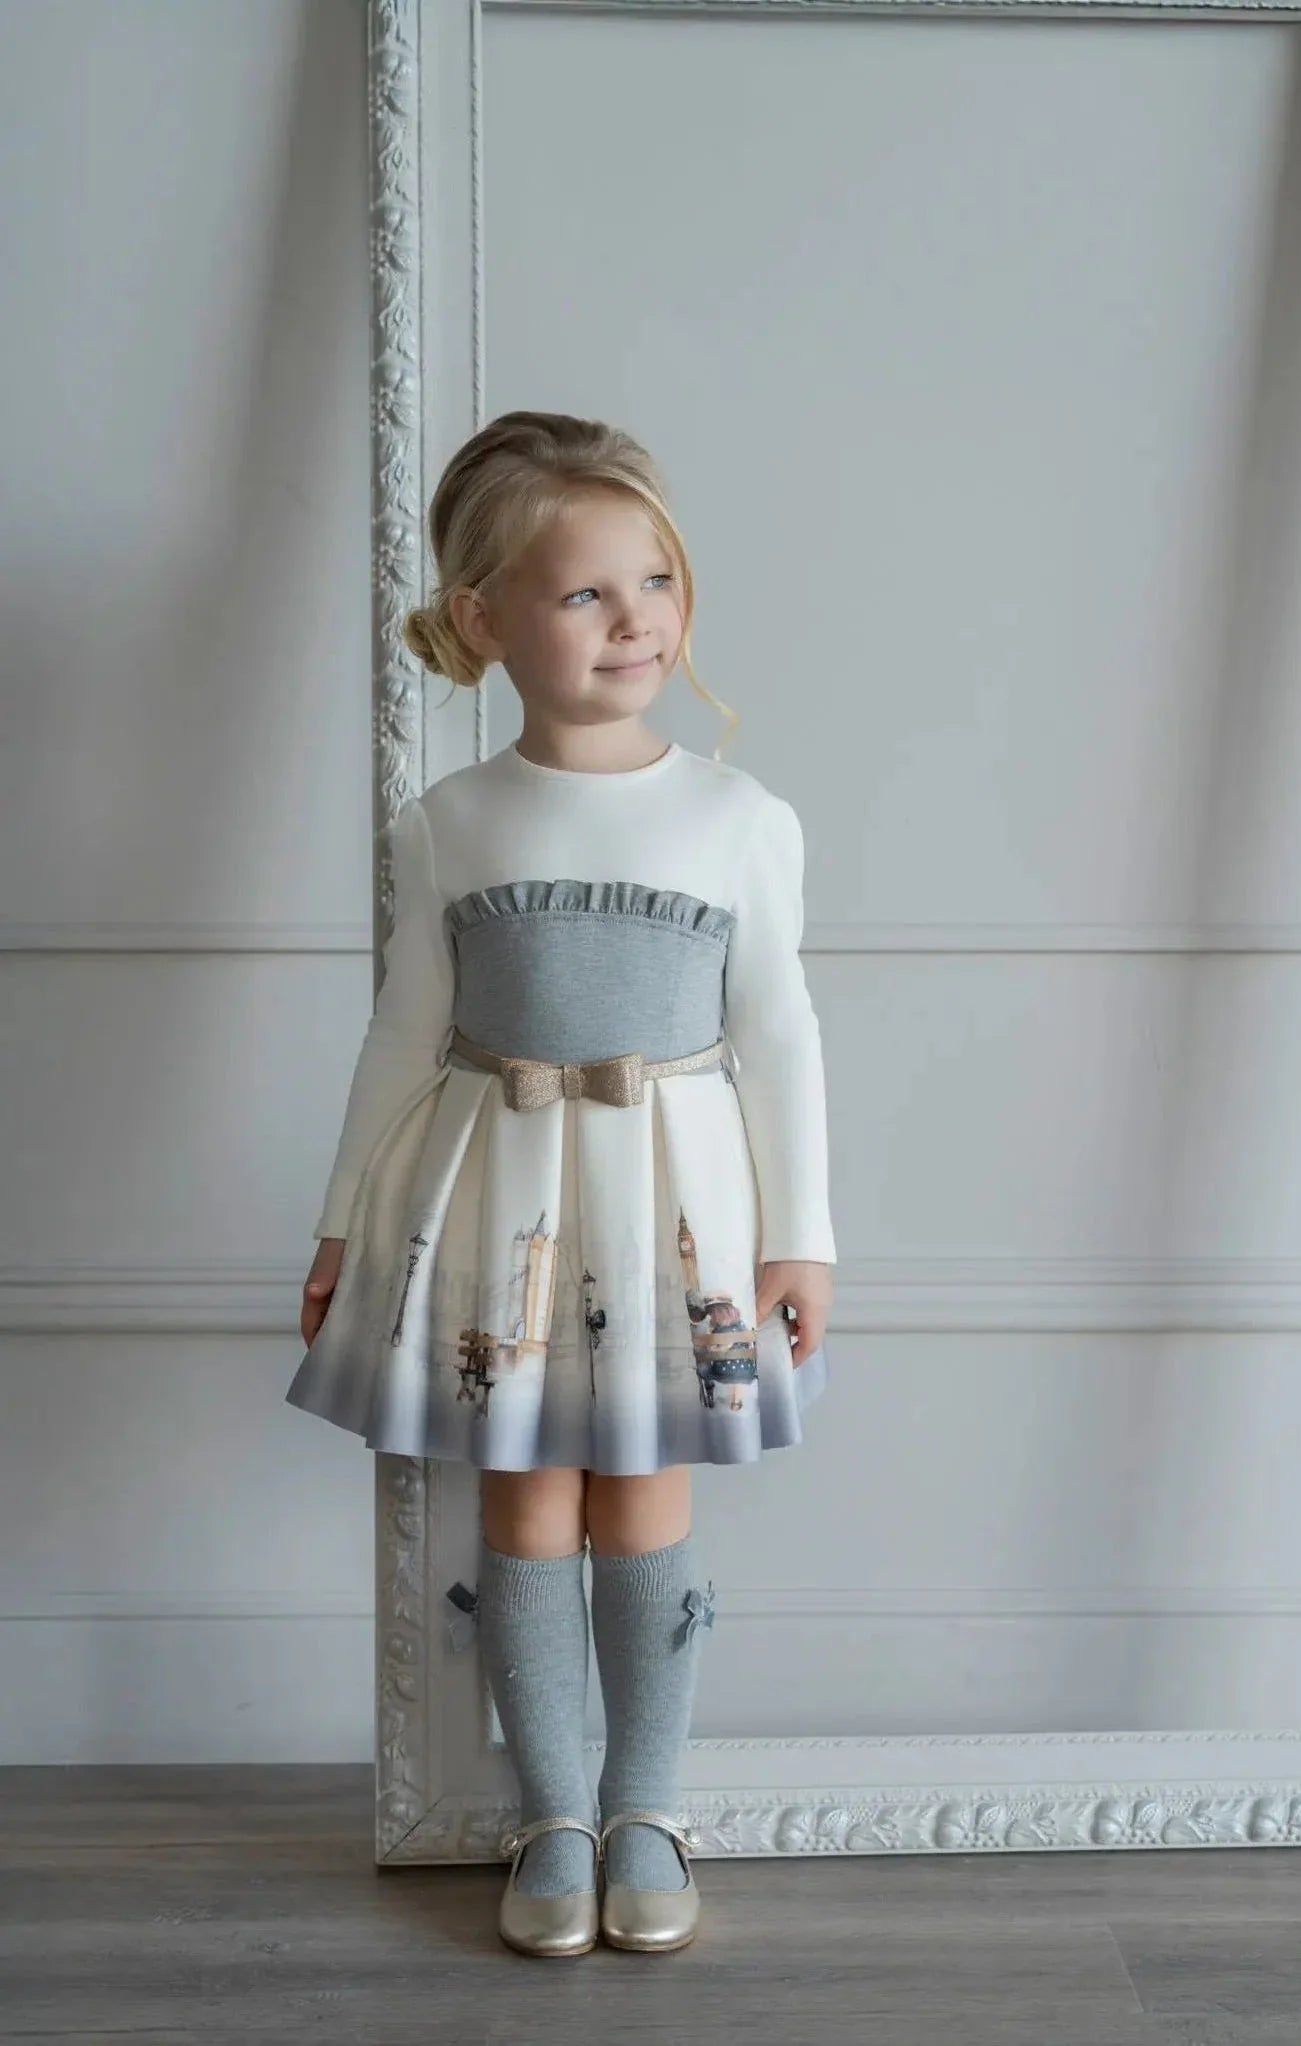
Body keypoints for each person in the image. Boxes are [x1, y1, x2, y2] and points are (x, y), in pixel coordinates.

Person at [286, 410, 837, 1958]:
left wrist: (801, 1239)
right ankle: (554, 1811)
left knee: (644, 1497)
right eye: (587, 592)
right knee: (525, 1500)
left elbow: (779, 1034)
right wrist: (341, 1222)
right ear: (486, 619)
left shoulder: (741, 819)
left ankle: (648, 1800)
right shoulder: (447, 824)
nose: (636, 617)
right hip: (501, 1204)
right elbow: (402, 1036)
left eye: (654, 578)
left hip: (673, 1211)